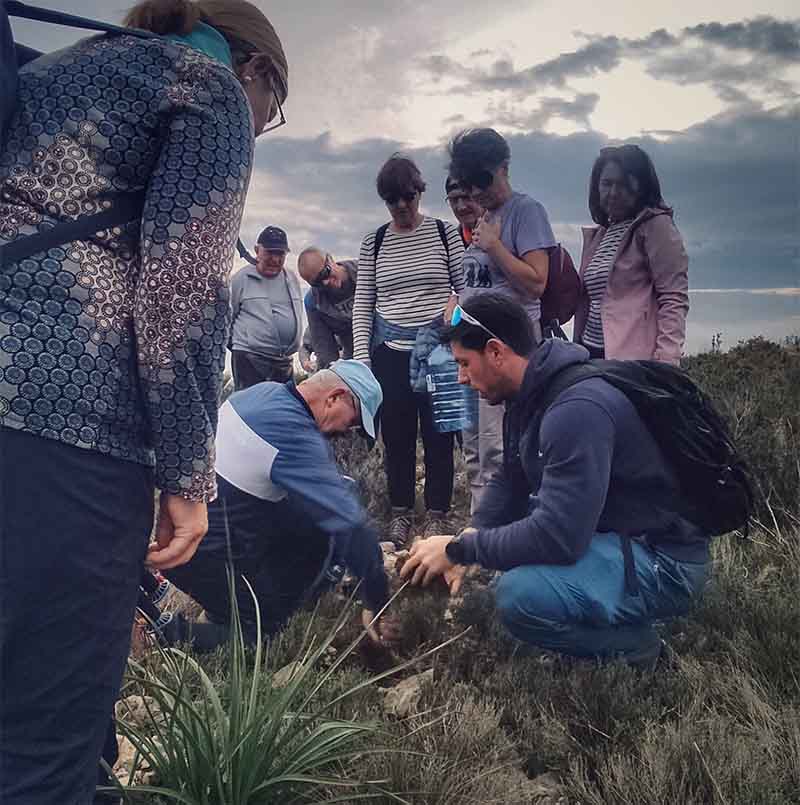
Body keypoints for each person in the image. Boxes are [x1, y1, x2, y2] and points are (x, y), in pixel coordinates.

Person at [0, 0, 288, 801]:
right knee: (41, 747)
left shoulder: (61, 70)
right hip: (67, 425)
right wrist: (189, 478)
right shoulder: (208, 87)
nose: (260, 127)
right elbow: (181, 298)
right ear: (255, 70)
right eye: (274, 112)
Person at [400, 293, 711, 668]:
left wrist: (459, 550)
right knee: (509, 566)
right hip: (624, 543)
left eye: (465, 363)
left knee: (518, 595)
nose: (461, 378)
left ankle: (636, 650)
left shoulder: (576, 409)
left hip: (667, 563)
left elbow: (558, 537)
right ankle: (607, 620)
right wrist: (472, 536)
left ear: (496, 352)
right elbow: (512, 479)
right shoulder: (532, 394)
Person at [161, 360, 396, 650]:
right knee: (261, 634)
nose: (348, 432)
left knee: (338, 493)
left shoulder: (265, 394)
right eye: (352, 422)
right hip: (198, 554)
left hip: (185, 532)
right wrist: (377, 602)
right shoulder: (295, 436)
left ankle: (249, 604)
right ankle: (160, 632)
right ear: (335, 397)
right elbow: (351, 525)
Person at [352, 155, 465, 545]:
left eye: (408, 197)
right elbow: (364, 301)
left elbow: (466, 288)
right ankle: (400, 513)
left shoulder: (445, 234)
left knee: (440, 435)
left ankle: (438, 514)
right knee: (397, 437)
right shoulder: (375, 241)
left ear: (419, 192)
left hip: (439, 350)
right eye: (392, 200)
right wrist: (363, 359)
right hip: (390, 352)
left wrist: (455, 324)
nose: (401, 206)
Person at [447, 128, 557, 514]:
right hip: (471, 348)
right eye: (467, 183)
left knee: (499, 446)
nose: (476, 192)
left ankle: (502, 532)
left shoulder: (526, 212)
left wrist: (494, 245)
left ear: (504, 168)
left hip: (505, 351)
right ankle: (481, 523)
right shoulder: (484, 219)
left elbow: (536, 282)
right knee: (474, 444)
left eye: (483, 179)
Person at [574, 144, 689, 364]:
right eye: (607, 184)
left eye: (624, 184)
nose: (614, 193)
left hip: (631, 362)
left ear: (641, 186)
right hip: (592, 355)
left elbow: (673, 297)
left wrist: (665, 362)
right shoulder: (600, 235)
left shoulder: (657, 227)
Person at [229, 225, 303, 389]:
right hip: (249, 360)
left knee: (285, 410)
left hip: (284, 362)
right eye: (270, 252)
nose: (275, 259)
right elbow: (227, 321)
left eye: (280, 253)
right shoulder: (241, 279)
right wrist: (243, 346)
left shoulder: (291, 278)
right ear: (257, 250)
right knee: (251, 410)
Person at [297, 247, 357, 369]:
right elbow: (325, 352)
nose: (324, 282)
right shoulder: (312, 302)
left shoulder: (366, 271)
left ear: (330, 259)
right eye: (317, 283)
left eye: (324, 273)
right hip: (355, 362)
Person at [445, 174, 483, 247]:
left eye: (466, 197)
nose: (461, 207)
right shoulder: (450, 244)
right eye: (454, 200)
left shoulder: (506, 232)